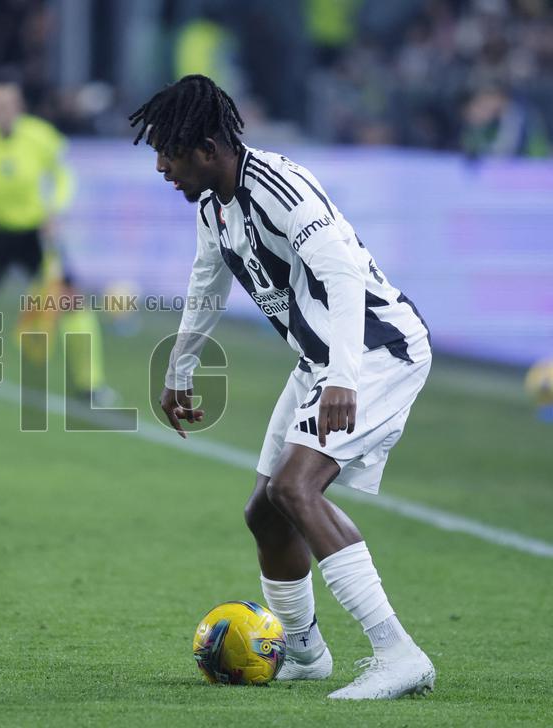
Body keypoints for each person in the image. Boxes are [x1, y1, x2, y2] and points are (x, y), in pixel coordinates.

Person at [131, 75, 434, 700]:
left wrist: (344, 376)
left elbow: (344, 277)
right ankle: (305, 652)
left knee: (297, 489)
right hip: (320, 360)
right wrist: (179, 371)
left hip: (378, 351)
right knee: (264, 514)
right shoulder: (215, 207)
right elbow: (206, 286)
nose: (161, 166)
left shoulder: (278, 186)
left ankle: (397, 653)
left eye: (170, 152)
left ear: (209, 147)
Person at [0, 80, 111, 403]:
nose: (1, 112)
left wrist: (56, 210)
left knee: (71, 301)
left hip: (37, 233)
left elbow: (64, 176)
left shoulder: (41, 136)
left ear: (19, 107)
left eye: (7, 105)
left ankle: (91, 385)